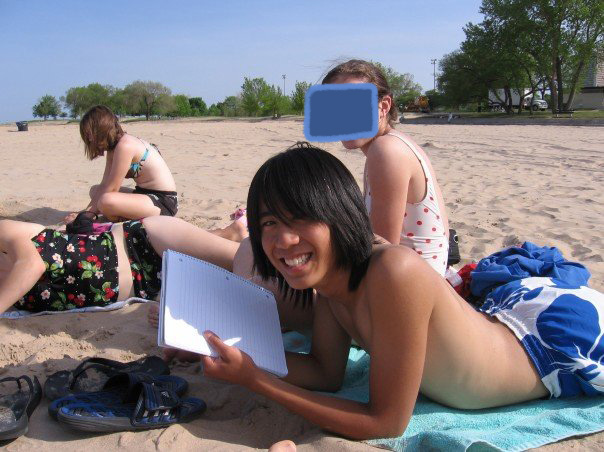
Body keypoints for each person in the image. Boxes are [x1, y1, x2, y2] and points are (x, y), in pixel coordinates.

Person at [196, 146, 604, 440]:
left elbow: (386, 423)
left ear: (339, 215)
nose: (283, 239)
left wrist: (255, 381)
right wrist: (223, 349)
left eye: (301, 217)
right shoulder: (330, 283)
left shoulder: (393, 270)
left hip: (550, 350)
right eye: (268, 223)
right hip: (506, 321)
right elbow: (325, 372)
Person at [322, 59, 450, 275]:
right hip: (413, 280)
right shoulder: (386, 146)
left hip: (412, 289)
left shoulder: (387, 151)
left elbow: (383, 249)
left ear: (383, 106)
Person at [0, 216, 238, 315]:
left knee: (247, 263)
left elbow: (32, 265)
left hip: (140, 244)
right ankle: (230, 233)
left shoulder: (4, 230)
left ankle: (235, 233)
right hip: (151, 288)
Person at [65, 105, 178, 223]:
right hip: (144, 195)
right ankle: (116, 216)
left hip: (163, 202)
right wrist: (85, 213)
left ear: (102, 129)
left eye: (90, 134)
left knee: (105, 201)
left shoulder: (125, 146)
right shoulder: (113, 148)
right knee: (95, 191)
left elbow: (112, 189)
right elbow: (105, 184)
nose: (89, 140)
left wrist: (85, 216)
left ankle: (117, 221)